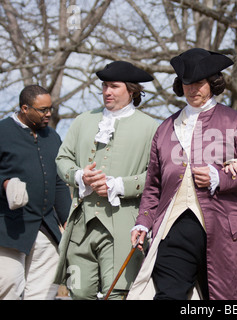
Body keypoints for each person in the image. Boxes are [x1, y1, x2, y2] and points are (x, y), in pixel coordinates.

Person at [128, 48, 237, 300]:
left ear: (213, 83)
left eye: (199, 83)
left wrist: (220, 178)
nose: (193, 90)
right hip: (173, 229)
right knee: (168, 296)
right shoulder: (164, 128)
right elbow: (153, 185)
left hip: (225, 231)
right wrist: (143, 221)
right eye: (187, 83)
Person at [54, 61, 159, 300]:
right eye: (104, 86)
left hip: (123, 225)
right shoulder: (83, 121)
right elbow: (63, 159)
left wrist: (119, 185)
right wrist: (80, 175)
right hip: (82, 223)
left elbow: (156, 177)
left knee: (118, 293)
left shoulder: (151, 127)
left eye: (114, 86)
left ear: (131, 90)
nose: (107, 92)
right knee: (78, 292)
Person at [0, 85, 71, 299]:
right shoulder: (2, 132)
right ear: (24, 108)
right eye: (42, 109)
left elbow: (59, 181)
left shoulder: (53, 137)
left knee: (45, 290)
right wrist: (5, 184)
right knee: (9, 285)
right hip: (8, 227)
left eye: (50, 108)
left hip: (46, 226)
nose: (48, 113)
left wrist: (67, 220)